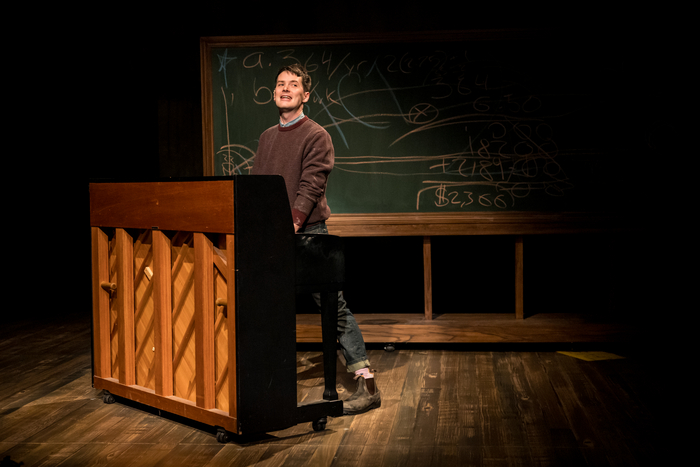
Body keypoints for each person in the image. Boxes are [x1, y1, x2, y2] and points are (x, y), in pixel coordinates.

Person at [252, 64, 380, 415]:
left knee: (333, 308)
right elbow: (258, 190)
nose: (285, 88)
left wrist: (289, 227)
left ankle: (367, 383)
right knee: (265, 305)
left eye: (293, 84)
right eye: (280, 84)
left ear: (305, 95)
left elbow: (311, 186)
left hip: (307, 234)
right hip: (269, 237)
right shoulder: (266, 137)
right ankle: (266, 381)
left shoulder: (316, 135)